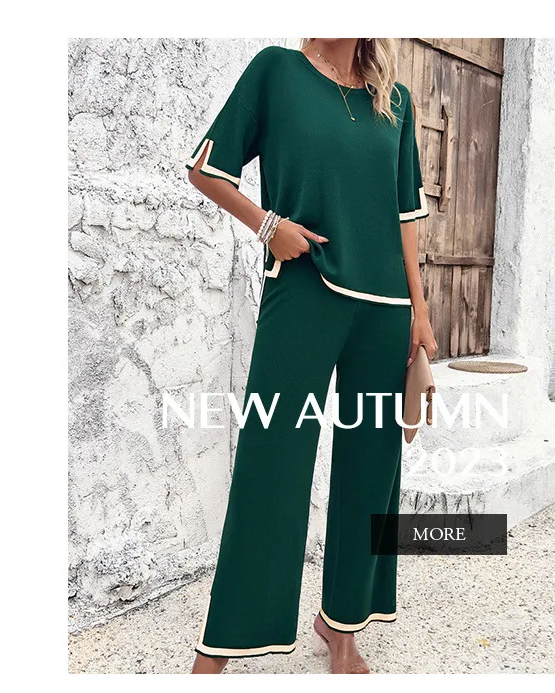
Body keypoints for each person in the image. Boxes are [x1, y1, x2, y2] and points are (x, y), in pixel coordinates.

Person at [186, 38, 436, 674]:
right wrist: (269, 226)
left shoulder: (396, 101)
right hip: (303, 289)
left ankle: (343, 625)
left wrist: (421, 315)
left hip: (386, 309)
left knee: (371, 472)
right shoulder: (278, 71)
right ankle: (224, 643)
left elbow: (406, 217)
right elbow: (206, 169)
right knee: (271, 462)